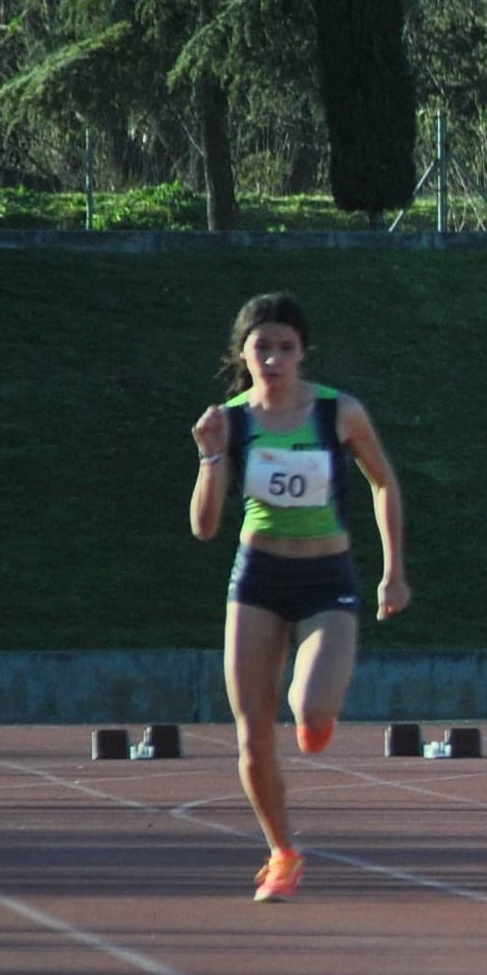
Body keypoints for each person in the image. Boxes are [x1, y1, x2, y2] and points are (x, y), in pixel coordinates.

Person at [186, 295, 406, 901]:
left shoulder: (338, 412)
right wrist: (210, 456)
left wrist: (393, 572)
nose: (274, 359)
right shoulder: (230, 421)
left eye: (286, 347)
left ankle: (316, 718)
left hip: (326, 577)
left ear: (303, 352)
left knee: (309, 709)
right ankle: (282, 853)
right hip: (257, 577)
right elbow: (204, 527)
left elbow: (384, 482)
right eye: (262, 348)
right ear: (242, 354)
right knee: (252, 735)